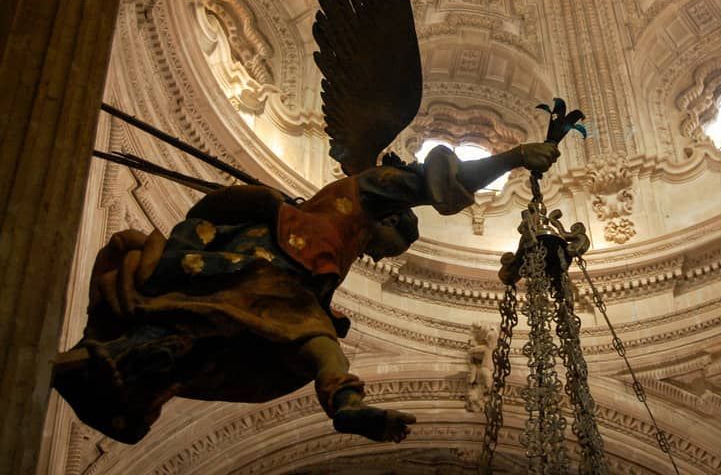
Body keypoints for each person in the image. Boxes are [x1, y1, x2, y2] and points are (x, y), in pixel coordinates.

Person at [53, 142, 560, 444]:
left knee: (241, 333)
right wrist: (515, 157)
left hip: (289, 275)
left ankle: (128, 356)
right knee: (313, 338)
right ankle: (345, 403)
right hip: (281, 260)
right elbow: (443, 181)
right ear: (393, 218)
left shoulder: (352, 231)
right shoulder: (373, 189)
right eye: (395, 244)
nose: (384, 256)